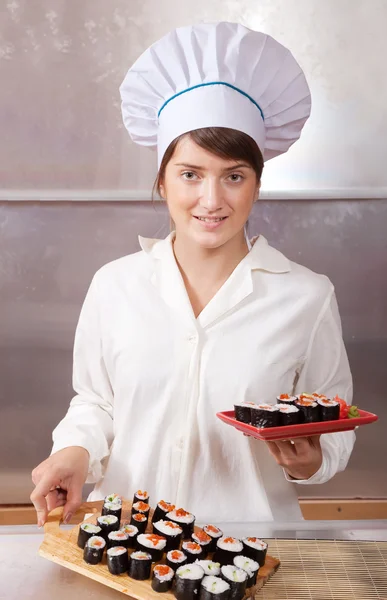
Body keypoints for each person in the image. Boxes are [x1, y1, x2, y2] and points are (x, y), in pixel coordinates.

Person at [30, 22, 355, 527]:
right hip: (130, 541)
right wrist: (74, 450)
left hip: (256, 547)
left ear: (256, 184)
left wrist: (314, 461)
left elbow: (333, 422)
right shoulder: (116, 285)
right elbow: (95, 402)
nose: (211, 200)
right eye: (190, 174)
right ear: (162, 178)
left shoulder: (306, 296)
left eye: (233, 176)